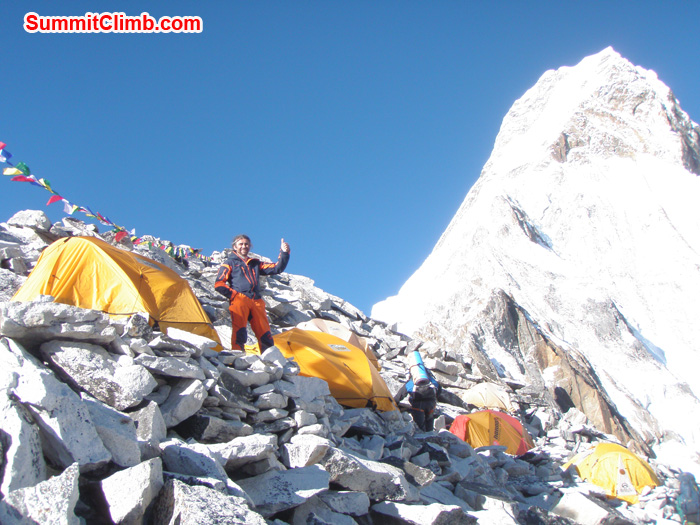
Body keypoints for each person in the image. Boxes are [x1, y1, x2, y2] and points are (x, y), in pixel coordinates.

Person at [215, 235, 290, 351]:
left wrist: (284, 252)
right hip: (240, 300)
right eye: (241, 244)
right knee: (239, 330)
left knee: (264, 331)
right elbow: (219, 284)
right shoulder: (229, 262)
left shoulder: (255, 263)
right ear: (234, 247)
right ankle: (238, 355)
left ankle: (269, 358)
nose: (244, 246)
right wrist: (235, 296)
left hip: (256, 300)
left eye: (246, 244)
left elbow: (276, 268)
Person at [394, 367, 442, 431]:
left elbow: (400, 395)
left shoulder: (412, 381)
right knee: (429, 422)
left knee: (419, 427)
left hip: (418, 405)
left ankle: (422, 438)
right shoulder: (429, 379)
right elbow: (439, 388)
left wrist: (394, 403)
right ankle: (430, 436)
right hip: (431, 404)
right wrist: (434, 398)